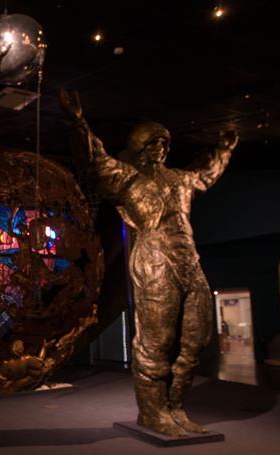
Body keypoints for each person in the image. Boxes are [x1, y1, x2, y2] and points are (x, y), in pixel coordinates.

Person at [59, 89, 237, 437]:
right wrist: (77, 122)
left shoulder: (181, 179)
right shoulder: (127, 179)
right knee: (156, 341)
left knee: (195, 340)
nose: (159, 148)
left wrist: (224, 151)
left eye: (163, 143)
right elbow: (95, 160)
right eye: (152, 143)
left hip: (189, 262)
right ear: (139, 148)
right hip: (156, 262)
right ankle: (153, 412)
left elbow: (205, 175)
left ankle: (176, 407)